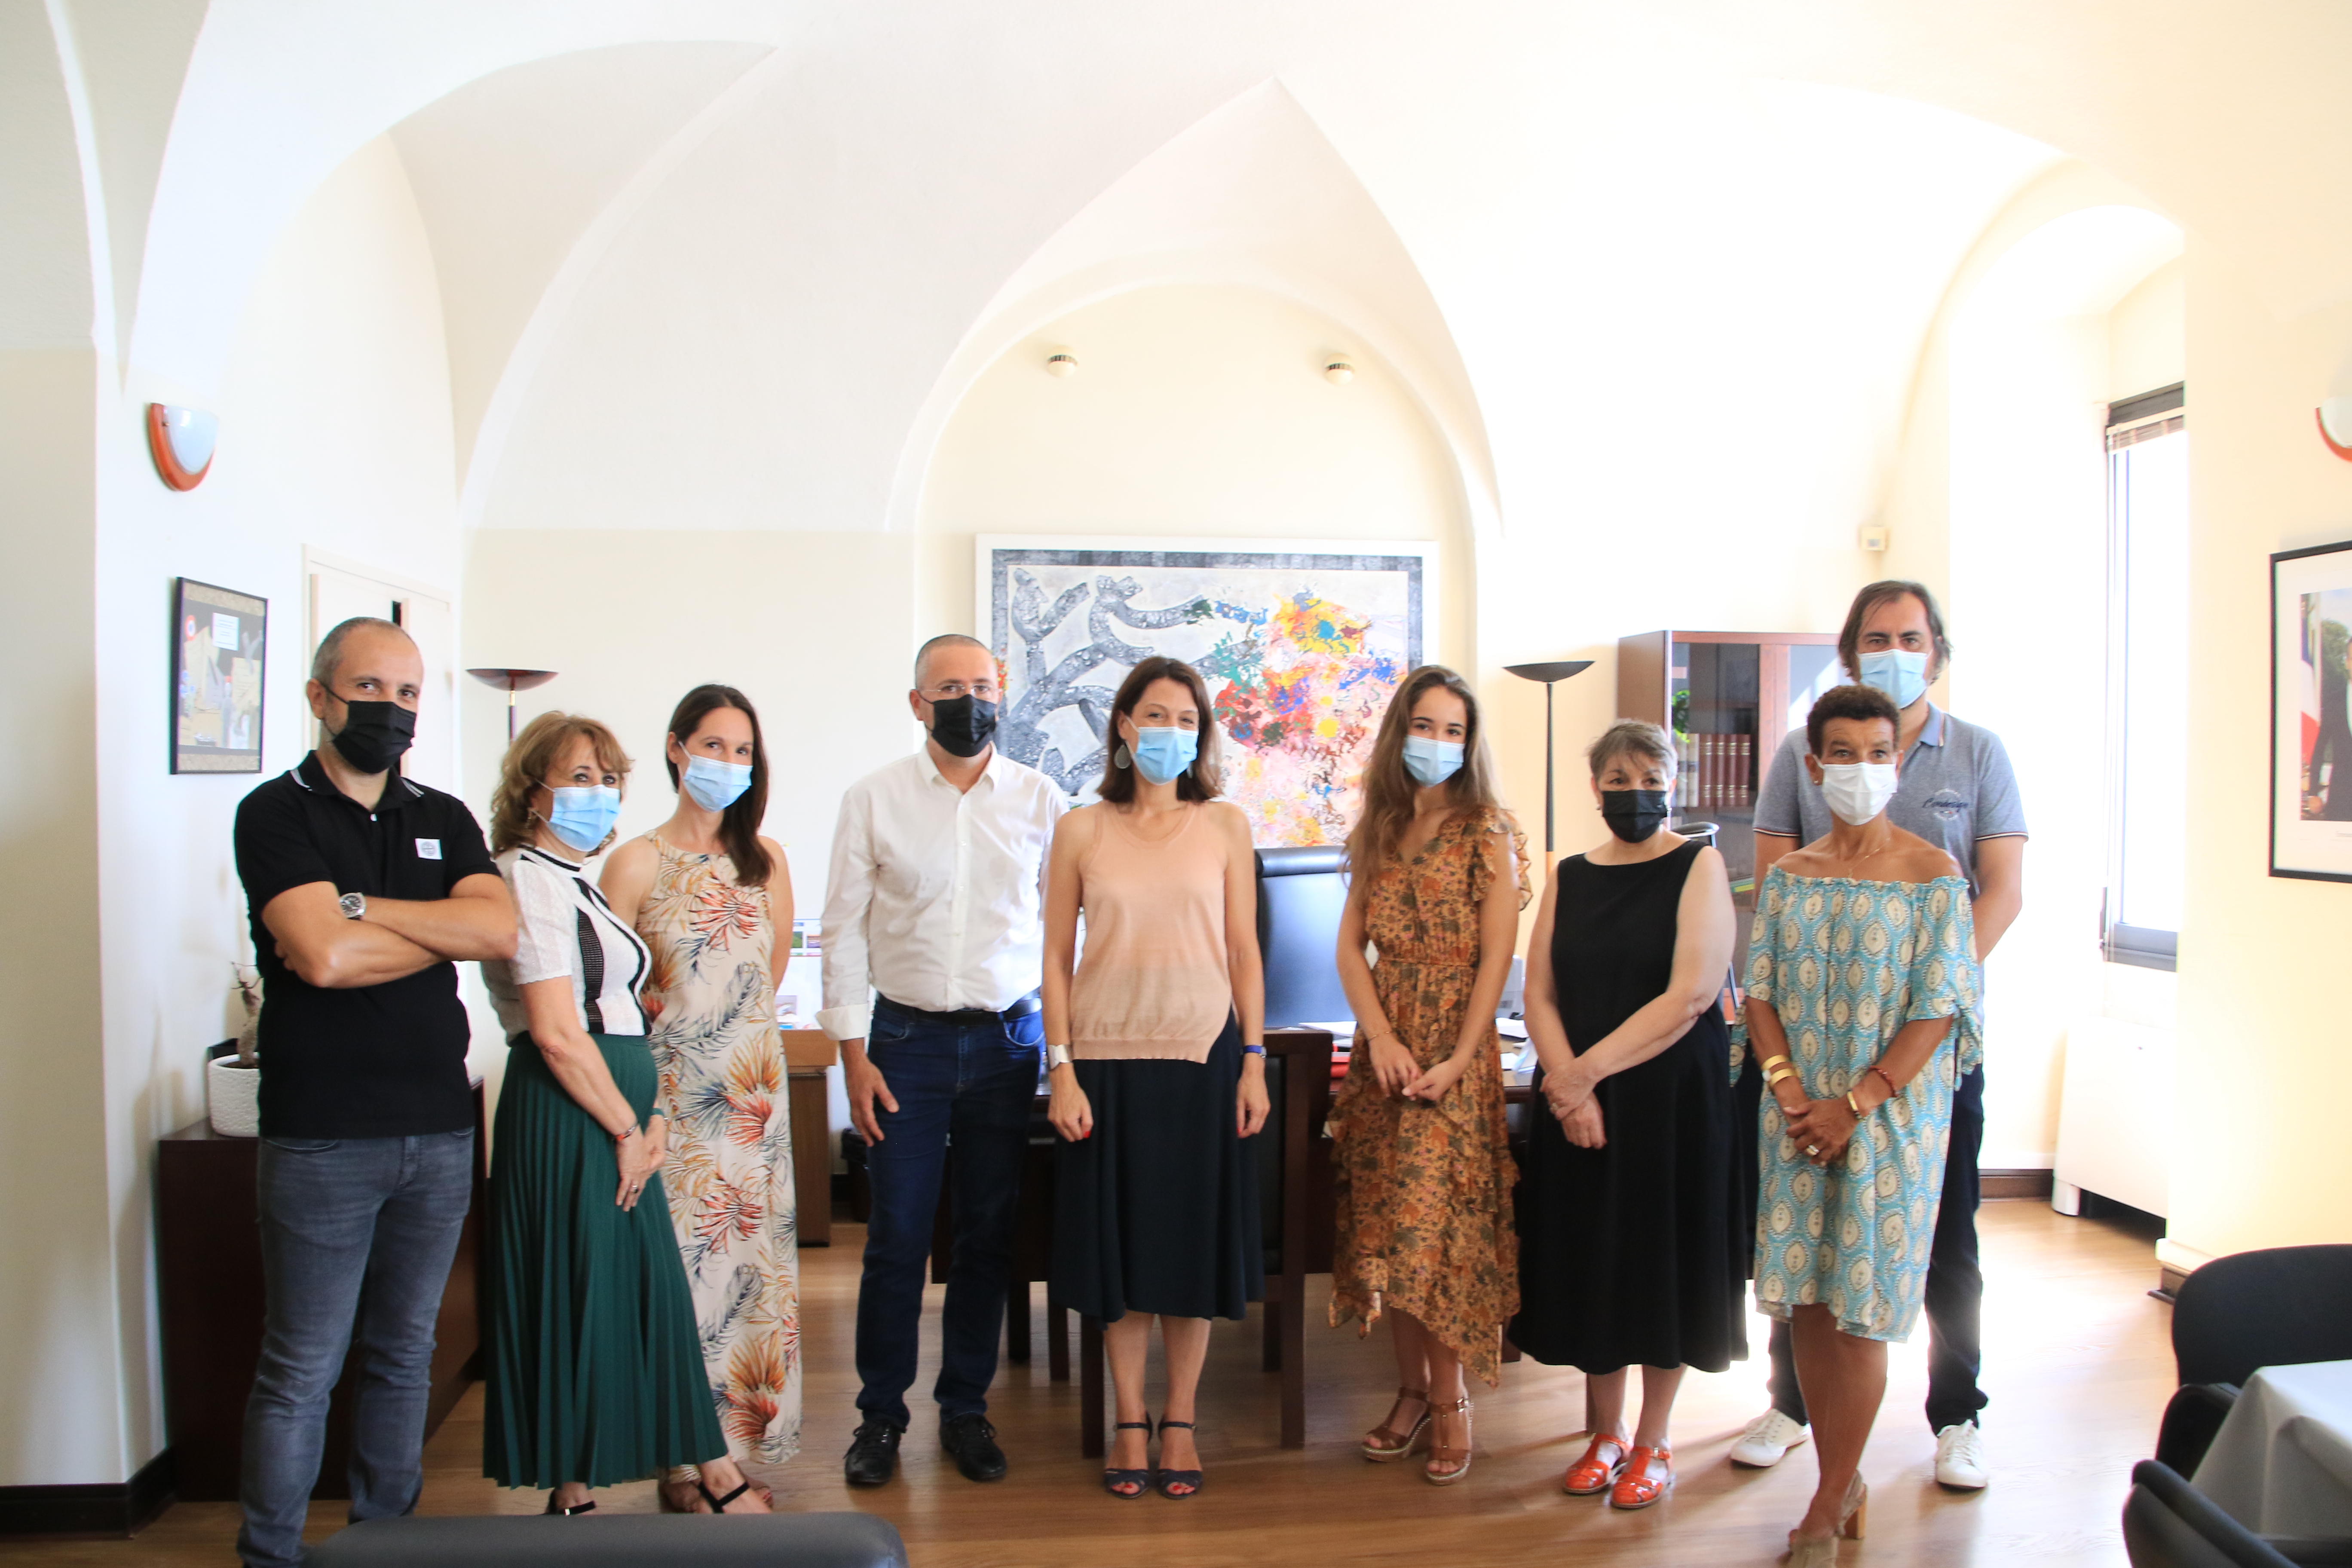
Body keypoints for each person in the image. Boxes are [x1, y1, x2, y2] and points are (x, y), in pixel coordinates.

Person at [230, 617, 516, 1568]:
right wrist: (431, 928)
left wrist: (359, 911)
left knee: (404, 1358)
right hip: (323, 1138)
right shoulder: (276, 814)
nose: (390, 712)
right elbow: (319, 957)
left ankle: (382, 1547)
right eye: (369, 692)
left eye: (406, 696)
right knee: (301, 1367)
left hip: (437, 1128)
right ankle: (271, 1553)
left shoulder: (441, 813)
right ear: (320, 697)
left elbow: (499, 933)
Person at [1733, 580, 2024, 1491]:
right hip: (1806, 1057)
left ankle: (1957, 1411)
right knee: (1803, 1249)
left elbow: (2001, 890)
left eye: (1910, 636)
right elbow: (1777, 905)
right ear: (1852, 650)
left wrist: (1918, 1002)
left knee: (1945, 1242)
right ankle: (1796, 1407)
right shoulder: (1797, 752)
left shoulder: (1977, 754)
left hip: (1920, 1063)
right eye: (1875, 637)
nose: (1894, 649)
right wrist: (1796, 1083)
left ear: (1934, 647)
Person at [478, 713, 772, 1516]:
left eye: (609, 780)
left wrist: (648, 1113)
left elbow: (608, 998)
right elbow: (556, 1030)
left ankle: (644, 1479)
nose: (599, 795)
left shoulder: (571, 876)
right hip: (575, 1107)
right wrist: (626, 1128)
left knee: (634, 1291)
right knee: (584, 1288)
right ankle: (613, 1485)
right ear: (531, 791)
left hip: (619, 1104)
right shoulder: (526, 877)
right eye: (579, 779)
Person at [1740, 683, 1981, 1565]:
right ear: (1815, 765)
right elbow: (1758, 989)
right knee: (1807, 1296)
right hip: (1796, 1118)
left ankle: (1829, 1498)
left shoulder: (1933, 877)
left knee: (1863, 1309)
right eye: (1844, 753)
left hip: (1889, 1127)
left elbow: (1941, 1006)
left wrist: (1859, 1101)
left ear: (1897, 762)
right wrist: (1789, 1086)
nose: (1862, 769)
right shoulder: (1791, 877)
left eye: (1879, 753)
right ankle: (1843, 1485)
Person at [820, 634, 1068, 1486]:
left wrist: (1063, 1052)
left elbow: (1064, 936)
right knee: (895, 1239)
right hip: (903, 1046)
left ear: (1004, 696)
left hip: (1008, 1045)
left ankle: (965, 1406)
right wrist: (852, 1056)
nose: (971, 700)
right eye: (951, 687)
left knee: (986, 1238)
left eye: (985, 685)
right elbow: (843, 932)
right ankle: (880, 1417)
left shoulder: (1041, 800)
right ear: (918, 702)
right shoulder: (873, 799)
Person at [1043, 655, 1268, 1500]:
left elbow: (1245, 951)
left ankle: (1181, 1418)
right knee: (1122, 1260)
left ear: (1200, 733)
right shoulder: (1079, 830)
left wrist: (1253, 1061)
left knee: (1185, 1255)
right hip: (1102, 1064)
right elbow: (1055, 965)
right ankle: (1127, 1418)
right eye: (1154, 715)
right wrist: (1060, 1070)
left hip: (1202, 1057)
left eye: (1186, 718)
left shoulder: (1225, 827)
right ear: (1124, 726)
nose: (1169, 731)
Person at [1511, 720, 1744, 1511]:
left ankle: (1654, 1441)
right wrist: (1569, 1088)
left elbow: (1691, 995)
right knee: (1594, 1261)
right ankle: (1603, 1435)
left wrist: (1581, 1077)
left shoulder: (1698, 864)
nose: (1633, 792)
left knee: (1659, 1263)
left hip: (1667, 1098)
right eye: (1617, 779)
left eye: (1649, 777)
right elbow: (1537, 991)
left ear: (1672, 782)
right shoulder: (1570, 874)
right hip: (1582, 1099)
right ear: (1595, 789)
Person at [602, 685, 801, 1510]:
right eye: (713, 746)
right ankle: (686, 1464)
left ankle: (730, 1448)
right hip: (674, 1102)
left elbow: (773, 968)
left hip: (754, 1093)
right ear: (678, 749)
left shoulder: (768, 859)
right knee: (686, 1279)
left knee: (751, 1279)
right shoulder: (637, 860)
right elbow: (606, 991)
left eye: (742, 750)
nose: (727, 763)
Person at [1327, 665, 1526, 1487]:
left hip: (1454, 1055)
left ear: (1470, 744)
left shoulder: (1488, 831)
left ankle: (1451, 1403)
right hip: (1386, 1056)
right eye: (1425, 726)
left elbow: (1496, 957)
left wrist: (1457, 1057)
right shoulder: (1377, 826)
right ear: (1398, 732)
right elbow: (1349, 947)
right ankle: (1411, 1394)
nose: (1438, 743)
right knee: (1387, 1237)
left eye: (1454, 730)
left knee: (1436, 1241)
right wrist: (1378, 1038)